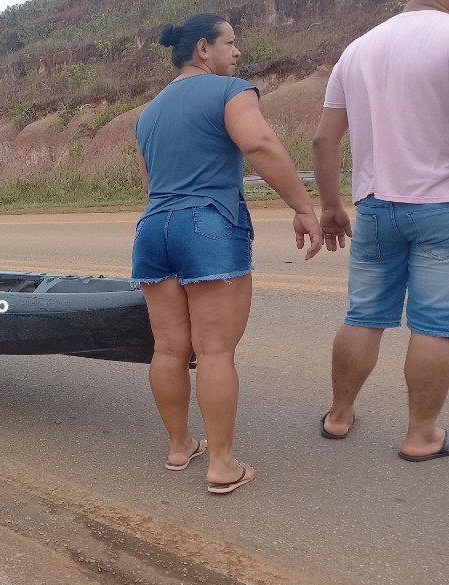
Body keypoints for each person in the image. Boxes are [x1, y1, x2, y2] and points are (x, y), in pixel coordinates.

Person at [132, 13, 323, 493]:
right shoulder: (229, 90)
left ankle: (180, 447)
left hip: (154, 228)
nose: (236, 52)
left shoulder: (148, 113)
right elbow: (258, 142)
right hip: (209, 222)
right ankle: (222, 465)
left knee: (169, 349)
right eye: (230, 43)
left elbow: (150, 186)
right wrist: (302, 207)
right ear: (203, 48)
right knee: (215, 349)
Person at [313, 0, 449, 461]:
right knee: (435, 324)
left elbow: (324, 139)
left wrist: (331, 207)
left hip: (373, 207)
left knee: (364, 315)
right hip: (439, 206)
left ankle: (338, 416)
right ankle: (421, 435)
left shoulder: (357, 49)